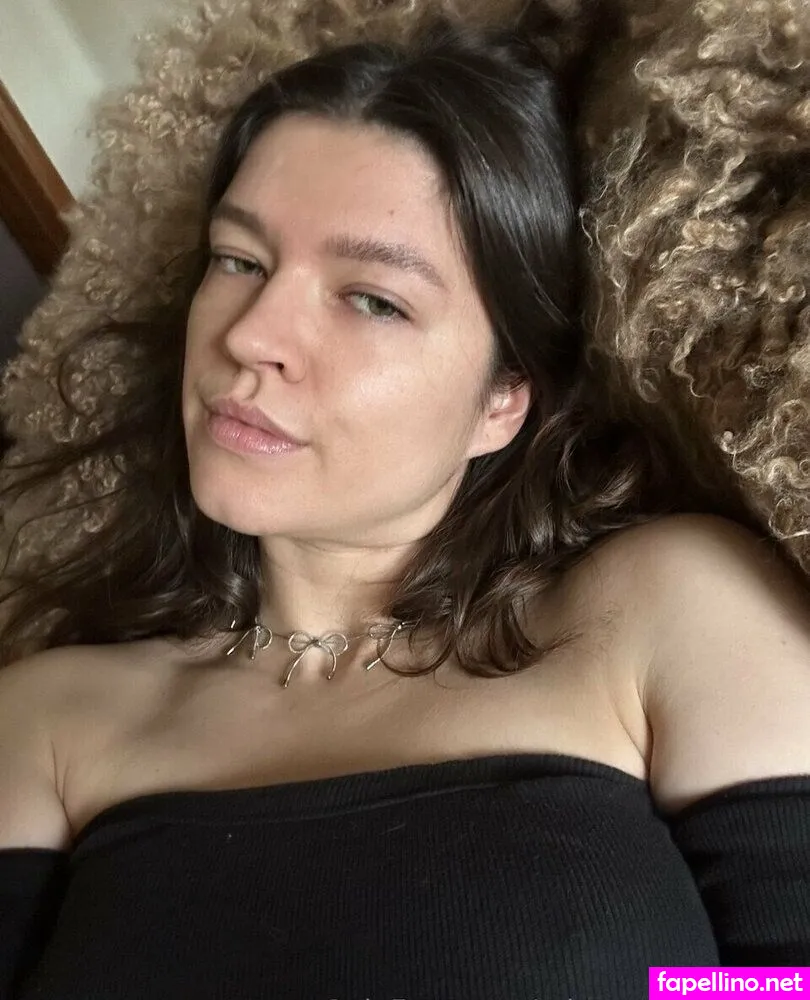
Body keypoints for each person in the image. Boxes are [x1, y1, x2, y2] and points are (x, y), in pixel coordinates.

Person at [0, 5, 808, 998]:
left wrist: (664, 987)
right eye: (239, 260)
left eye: (373, 298)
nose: (251, 335)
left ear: (502, 400)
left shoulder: (666, 610)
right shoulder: (45, 719)